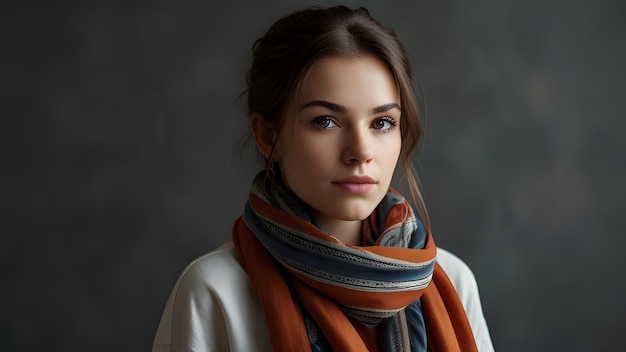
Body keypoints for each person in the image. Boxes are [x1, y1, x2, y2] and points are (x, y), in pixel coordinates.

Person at [153, 5, 494, 352]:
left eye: (382, 123)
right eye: (325, 121)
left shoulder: (452, 280)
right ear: (268, 135)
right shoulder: (216, 291)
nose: (360, 151)